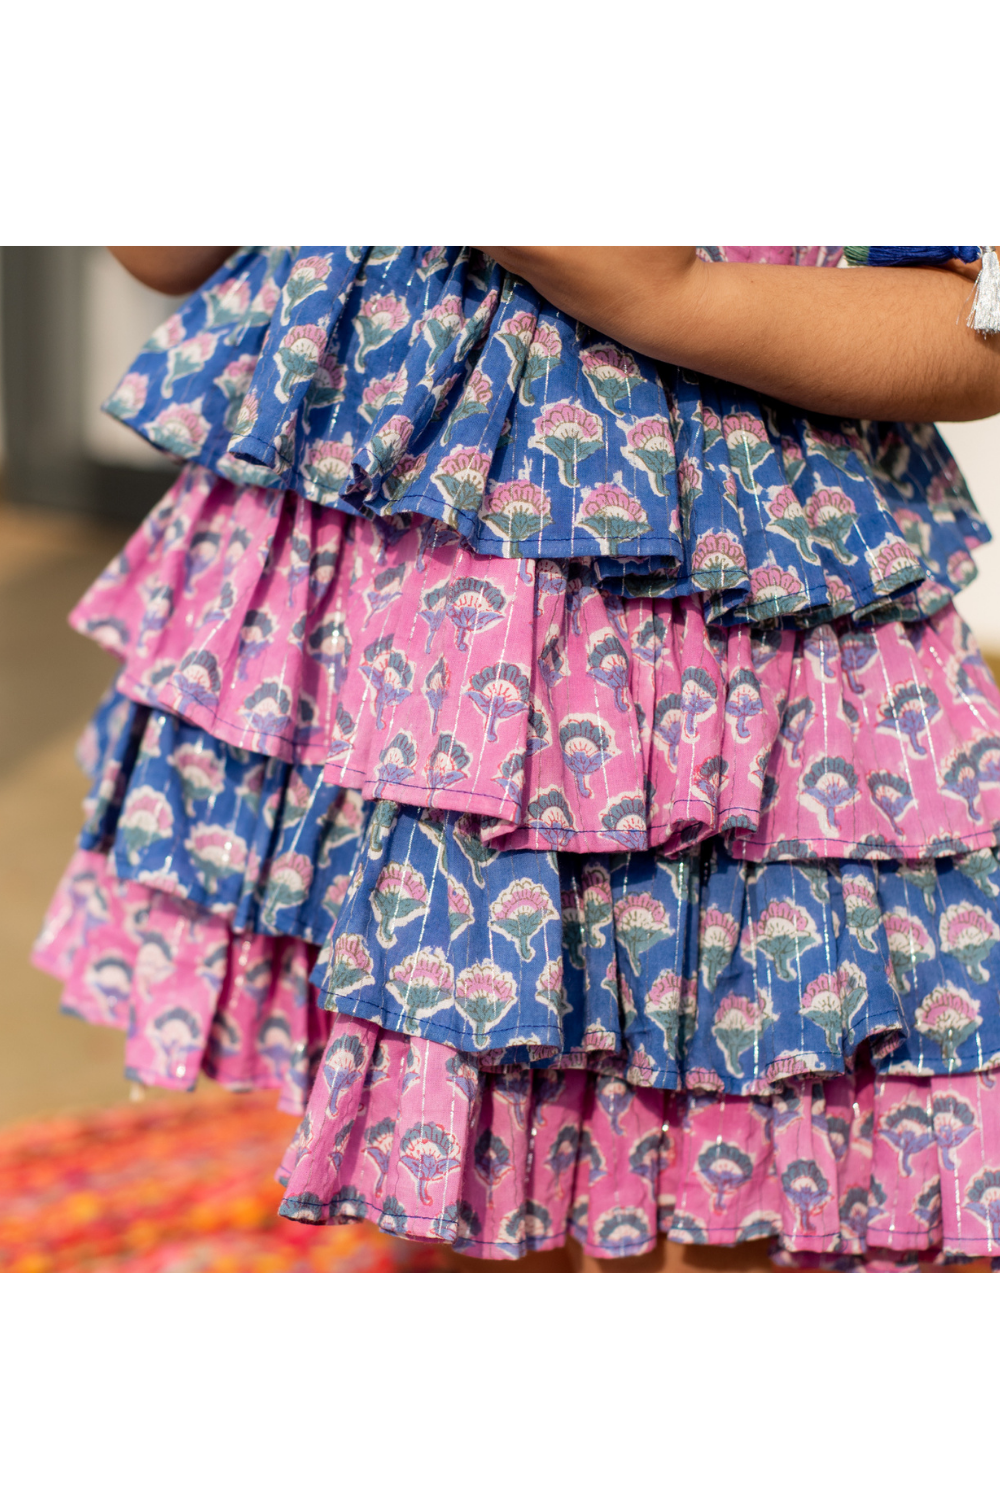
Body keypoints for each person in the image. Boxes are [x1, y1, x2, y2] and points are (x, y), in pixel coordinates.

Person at [34, 245, 1000, 1272]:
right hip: (397, 567)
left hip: (755, 609)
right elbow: (162, 251)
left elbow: (975, 329)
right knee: (460, 1118)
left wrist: (677, 296)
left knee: (769, 1117)